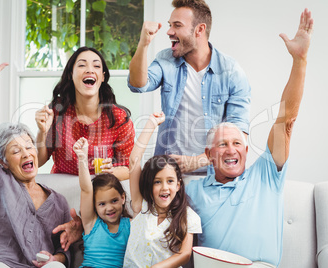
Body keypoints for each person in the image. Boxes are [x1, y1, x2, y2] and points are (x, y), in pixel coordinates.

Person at [185, 8, 314, 267]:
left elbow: (286, 120)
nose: (232, 150)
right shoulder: (192, 190)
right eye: (222, 144)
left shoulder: (265, 174)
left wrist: (299, 61)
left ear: (246, 151)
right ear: (209, 155)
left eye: (237, 144)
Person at [0, 43, 71, 268]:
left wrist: (55, 258)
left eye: (29, 146)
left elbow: (64, 250)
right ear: (1, 160)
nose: (26, 153)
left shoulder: (58, 202)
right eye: (15, 150)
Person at [128, 0, 251, 175]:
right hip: (168, 176)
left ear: (199, 29)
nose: (169, 32)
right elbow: (137, 84)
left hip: (214, 175)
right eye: (170, 25)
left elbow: (239, 134)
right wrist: (143, 44)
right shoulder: (166, 60)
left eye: (177, 26)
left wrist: (197, 161)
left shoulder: (231, 71)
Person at [35, 47, 135, 181]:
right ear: (71, 74)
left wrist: (112, 171)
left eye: (96, 66)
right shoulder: (57, 111)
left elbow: (130, 168)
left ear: (103, 77)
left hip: (100, 192)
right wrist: (42, 132)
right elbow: (39, 161)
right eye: (82, 65)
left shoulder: (118, 118)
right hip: (63, 190)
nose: (89, 69)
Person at [123, 112, 202, 267]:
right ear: (149, 185)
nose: (164, 187)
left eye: (170, 181)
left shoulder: (188, 217)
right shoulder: (142, 206)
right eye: (157, 182)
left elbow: (185, 254)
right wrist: (151, 124)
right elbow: (134, 159)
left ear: (178, 185)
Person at [72, 137, 132, 267]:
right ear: (94, 206)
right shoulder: (91, 223)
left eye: (114, 201)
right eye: (102, 204)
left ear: (123, 198)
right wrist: (82, 158)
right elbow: (86, 190)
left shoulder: (130, 226)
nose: (109, 208)